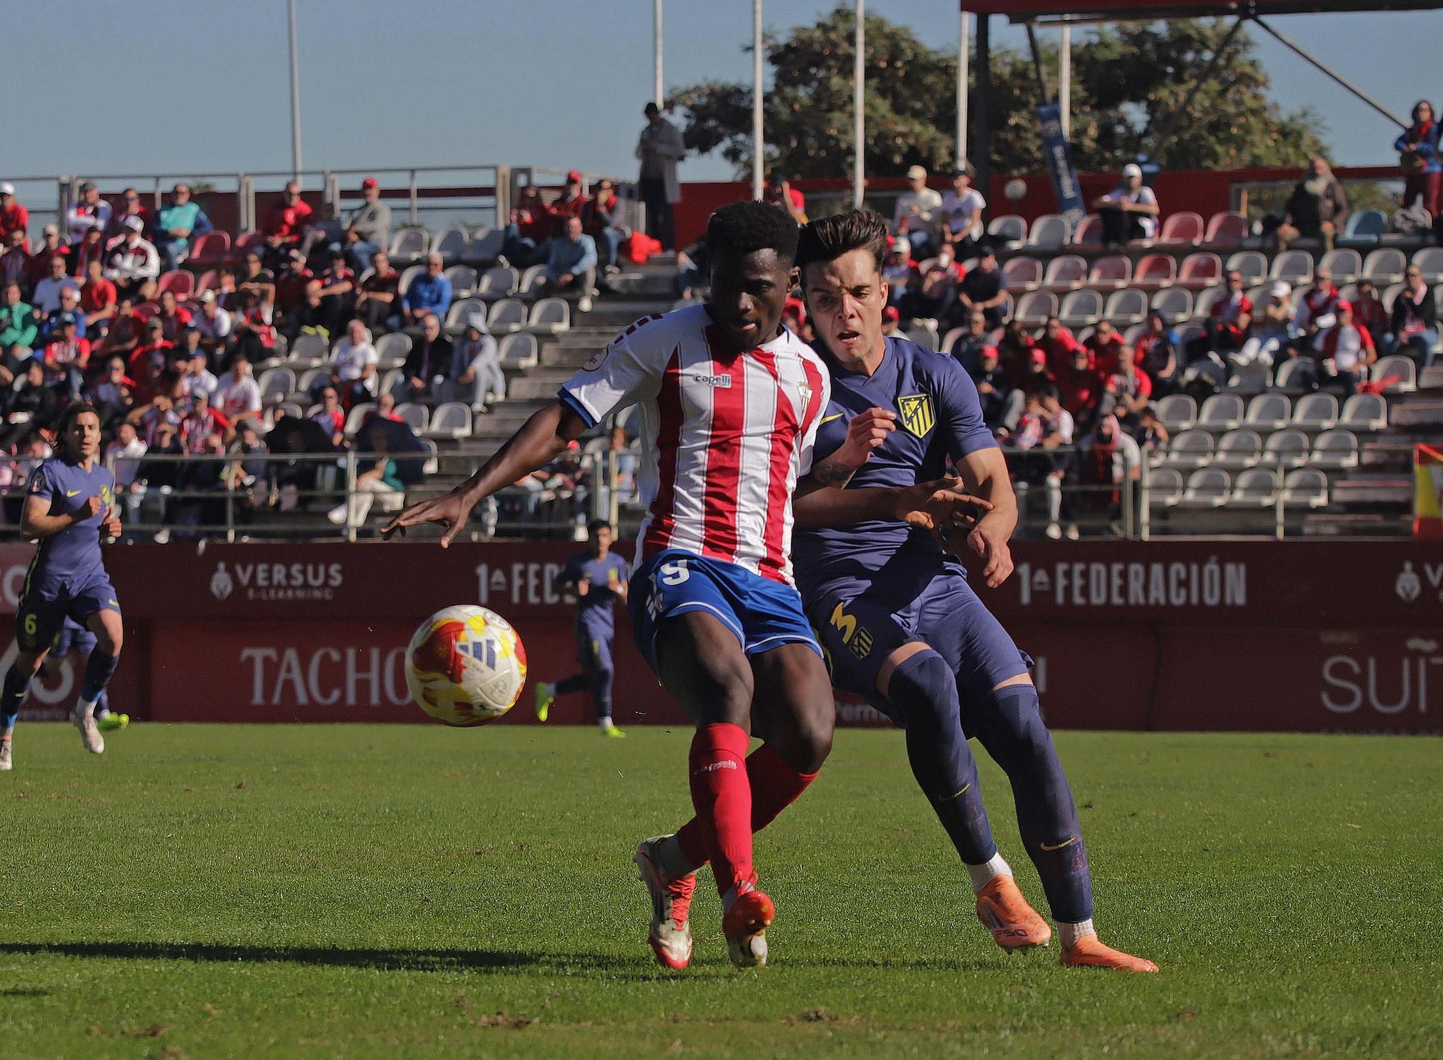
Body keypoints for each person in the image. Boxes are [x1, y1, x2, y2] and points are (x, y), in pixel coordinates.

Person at [385, 201, 909, 971]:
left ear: (788, 285)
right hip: (681, 563)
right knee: (726, 688)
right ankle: (739, 892)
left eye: (757, 288)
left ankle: (673, 861)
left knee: (809, 731)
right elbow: (566, 420)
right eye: (726, 285)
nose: (738, 303)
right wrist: (471, 490)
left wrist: (851, 466)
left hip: (770, 577)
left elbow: (789, 488)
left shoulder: (809, 375)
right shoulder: (664, 341)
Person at [788, 208, 1153, 969]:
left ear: (884, 291)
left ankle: (1082, 938)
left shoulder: (935, 374)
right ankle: (991, 881)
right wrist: (890, 496)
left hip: (937, 583)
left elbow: (996, 483)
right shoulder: (794, 384)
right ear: (807, 304)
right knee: (925, 683)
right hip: (842, 589)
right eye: (825, 298)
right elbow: (786, 508)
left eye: (856, 291)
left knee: (1024, 727)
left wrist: (996, 529)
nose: (843, 311)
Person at [0, 403, 124, 771]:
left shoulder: (104, 477)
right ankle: (4, 731)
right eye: (78, 428)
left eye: (92, 427)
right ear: (64, 434)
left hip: (90, 576)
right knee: (31, 660)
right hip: (49, 580)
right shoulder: (50, 472)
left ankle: (85, 711)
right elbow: (29, 526)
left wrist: (111, 527)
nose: (85, 434)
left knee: (113, 639)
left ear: (99, 434)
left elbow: (103, 519)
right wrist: (75, 516)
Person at [533, 520, 631, 737]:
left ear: (611, 538)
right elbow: (556, 585)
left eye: (605, 536)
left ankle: (548, 690)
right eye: (596, 536)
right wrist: (574, 592)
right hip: (587, 622)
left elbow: (625, 596)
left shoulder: (617, 562)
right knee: (606, 669)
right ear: (589, 538)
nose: (601, 540)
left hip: (607, 624)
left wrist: (618, 591)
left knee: (596, 677)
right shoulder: (578, 563)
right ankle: (605, 722)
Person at [41, 618, 130, 733]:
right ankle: (21, 677)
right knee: (52, 668)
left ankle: (103, 714)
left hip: (84, 622)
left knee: (96, 665)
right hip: (62, 619)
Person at [1273, 157, 1349, 255]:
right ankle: (1280, 265)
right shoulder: (1301, 188)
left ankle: (1326, 266)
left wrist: (1332, 223)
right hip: (1302, 228)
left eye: (1320, 168)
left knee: (1325, 233)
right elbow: (1290, 208)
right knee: (1281, 234)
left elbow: (1344, 209)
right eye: (1314, 168)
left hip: (1325, 226)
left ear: (1326, 169)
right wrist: (1286, 223)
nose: (1317, 171)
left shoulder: (1334, 187)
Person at [636, 102, 685, 250]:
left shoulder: (670, 130)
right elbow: (637, 154)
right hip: (648, 178)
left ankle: (669, 246)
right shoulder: (645, 132)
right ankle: (655, 245)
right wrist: (645, 147)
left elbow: (680, 151)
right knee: (652, 215)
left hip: (665, 180)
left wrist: (658, 147)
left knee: (666, 215)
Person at [539, 215, 598, 312]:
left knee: (589, 269)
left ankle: (586, 298)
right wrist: (556, 278)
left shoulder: (587, 241)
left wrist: (572, 272)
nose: (571, 230)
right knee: (539, 284)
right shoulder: (557, 244)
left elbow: (591, 259)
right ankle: (541, 310)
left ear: (580, 228)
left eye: (574, 227)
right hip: (562, 278)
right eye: (569, 227)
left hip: (578, 277)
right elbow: (552, 265)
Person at [450, 311, 505, 412]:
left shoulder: (489, 341)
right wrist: (457, 377)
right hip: (468, 381)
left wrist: (471, 369)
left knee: (480, 370)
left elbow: (484, 358)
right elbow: (456, 362)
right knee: (445, 383)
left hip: (489, 379)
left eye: (475, 329)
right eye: (470, 329)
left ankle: (478, 404)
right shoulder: (463, 344)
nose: (472, 332)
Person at [1317, 300, 1376, 395]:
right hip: (1334, 372)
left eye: (1343, 312)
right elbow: (1318, 354)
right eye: (1338, 312)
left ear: (1350, 314)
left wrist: (1356, 366)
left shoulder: (1359, 330)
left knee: (1350, 377)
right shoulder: (1327, 332)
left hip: (1352, 373)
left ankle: (1352, 405)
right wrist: (1324, 364)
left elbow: (1372, 356)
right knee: (1309, 375)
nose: (1341, 315)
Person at [1396, 100, 1441, 218]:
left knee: (1429, 203)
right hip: (1414, 170)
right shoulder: (1413, 130)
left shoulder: (1433, 129)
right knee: (1407, 202)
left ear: (1430, 113)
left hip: (1430, 169)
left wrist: (1416, 147)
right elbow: (1397, 142)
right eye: (1419, 110)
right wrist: (1405, 147)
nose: (1421, 113)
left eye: (1424, 110)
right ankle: (1407, 224)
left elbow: (1432, 148)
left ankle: (1434, 230)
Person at [1094, 164, 1159, 245]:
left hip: (1144, 231)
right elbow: (1097, 203)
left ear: (1140, 179)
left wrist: (1130, 207)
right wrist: (1116, 204)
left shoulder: (1145, 192)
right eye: (1128, 178)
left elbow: (1155, 209)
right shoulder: (1120, 193)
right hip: (1126, 233)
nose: (1131, 180)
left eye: (1133, 178)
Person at [1387, 264, 1439, 366]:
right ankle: (1390, 369)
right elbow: (1396, 319)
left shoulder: (1428, 293)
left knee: (1424, 340)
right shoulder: (1400, 296)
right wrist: (1399, 332)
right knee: (1386, 339)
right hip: (1406, 331)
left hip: (1426, 330)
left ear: (1420, 277)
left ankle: (1425, 370)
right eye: (1407, 276)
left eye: (1413, 275)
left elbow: (1422, 314)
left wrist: (1410, 300)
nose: (1410, 279)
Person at [153, 183, 213, 271]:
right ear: (172, 194)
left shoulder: (193, 209)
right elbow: (154, 228)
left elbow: (207, 227)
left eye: (183, 193)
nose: (179, 195)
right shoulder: (162, 210)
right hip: (162, 242)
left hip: (181, 244)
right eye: (177, 193)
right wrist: (169, 232)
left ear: (188, 194)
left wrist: (189, 233)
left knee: (171, 250)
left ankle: (173, 278)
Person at [344, 177, 391, 274]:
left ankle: (369, 276)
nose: (368, 192)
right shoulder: (356, 211)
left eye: (371, 189)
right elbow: (346, 226)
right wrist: (350, 233)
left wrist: (356, 228)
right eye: (365, 189)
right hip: (356, 242)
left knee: (357, 248)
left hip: (375, 243)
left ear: (377, 191)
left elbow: (377, 226)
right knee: (335, 248)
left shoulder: (382, 209)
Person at [892, 165, 942, 254]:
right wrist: (898, 229)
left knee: (914, 240)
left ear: (923, 180)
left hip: (927, 232)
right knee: (897, 245)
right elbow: (898, 220)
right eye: (910, 180)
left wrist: (920, 213)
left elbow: (937, 219)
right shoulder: (903, 198)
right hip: (907, 233)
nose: (912, 183)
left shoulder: (933, 196)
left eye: (915, 180)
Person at [958, 249, 1011, 330]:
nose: (983, 260)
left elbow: (1001, 297)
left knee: (997, 312)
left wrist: (984, 305)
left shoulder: (999, 275)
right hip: (973, 306)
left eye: (986, 257)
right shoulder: (971, 275)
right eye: (981, 257)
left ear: (992, 258)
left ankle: (998, 336)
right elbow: (963, 294)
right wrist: (970, 305)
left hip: (990, 307)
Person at [940, 168, 986, 254]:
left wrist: (960, 236)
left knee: (966, 244)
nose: (955, 183)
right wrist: (947, 234)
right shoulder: (948, 198)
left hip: (968, 232)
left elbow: (975, 221)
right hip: (952, 231)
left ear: (966, 180)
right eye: (953, 179)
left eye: (958, 179)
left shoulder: (974, 196)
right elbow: (944, 220)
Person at [401, 253, 452, 325]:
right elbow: (408, 297)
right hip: (413, 313)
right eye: (429, 264)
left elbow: (444, 305)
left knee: (429, 323)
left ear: (440, 267)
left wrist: (424, 312)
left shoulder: (444, 283)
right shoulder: (418, 279)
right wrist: (406, 309)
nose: (431, 267)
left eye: (435, 265)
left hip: (432, 314)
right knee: (392, 323)